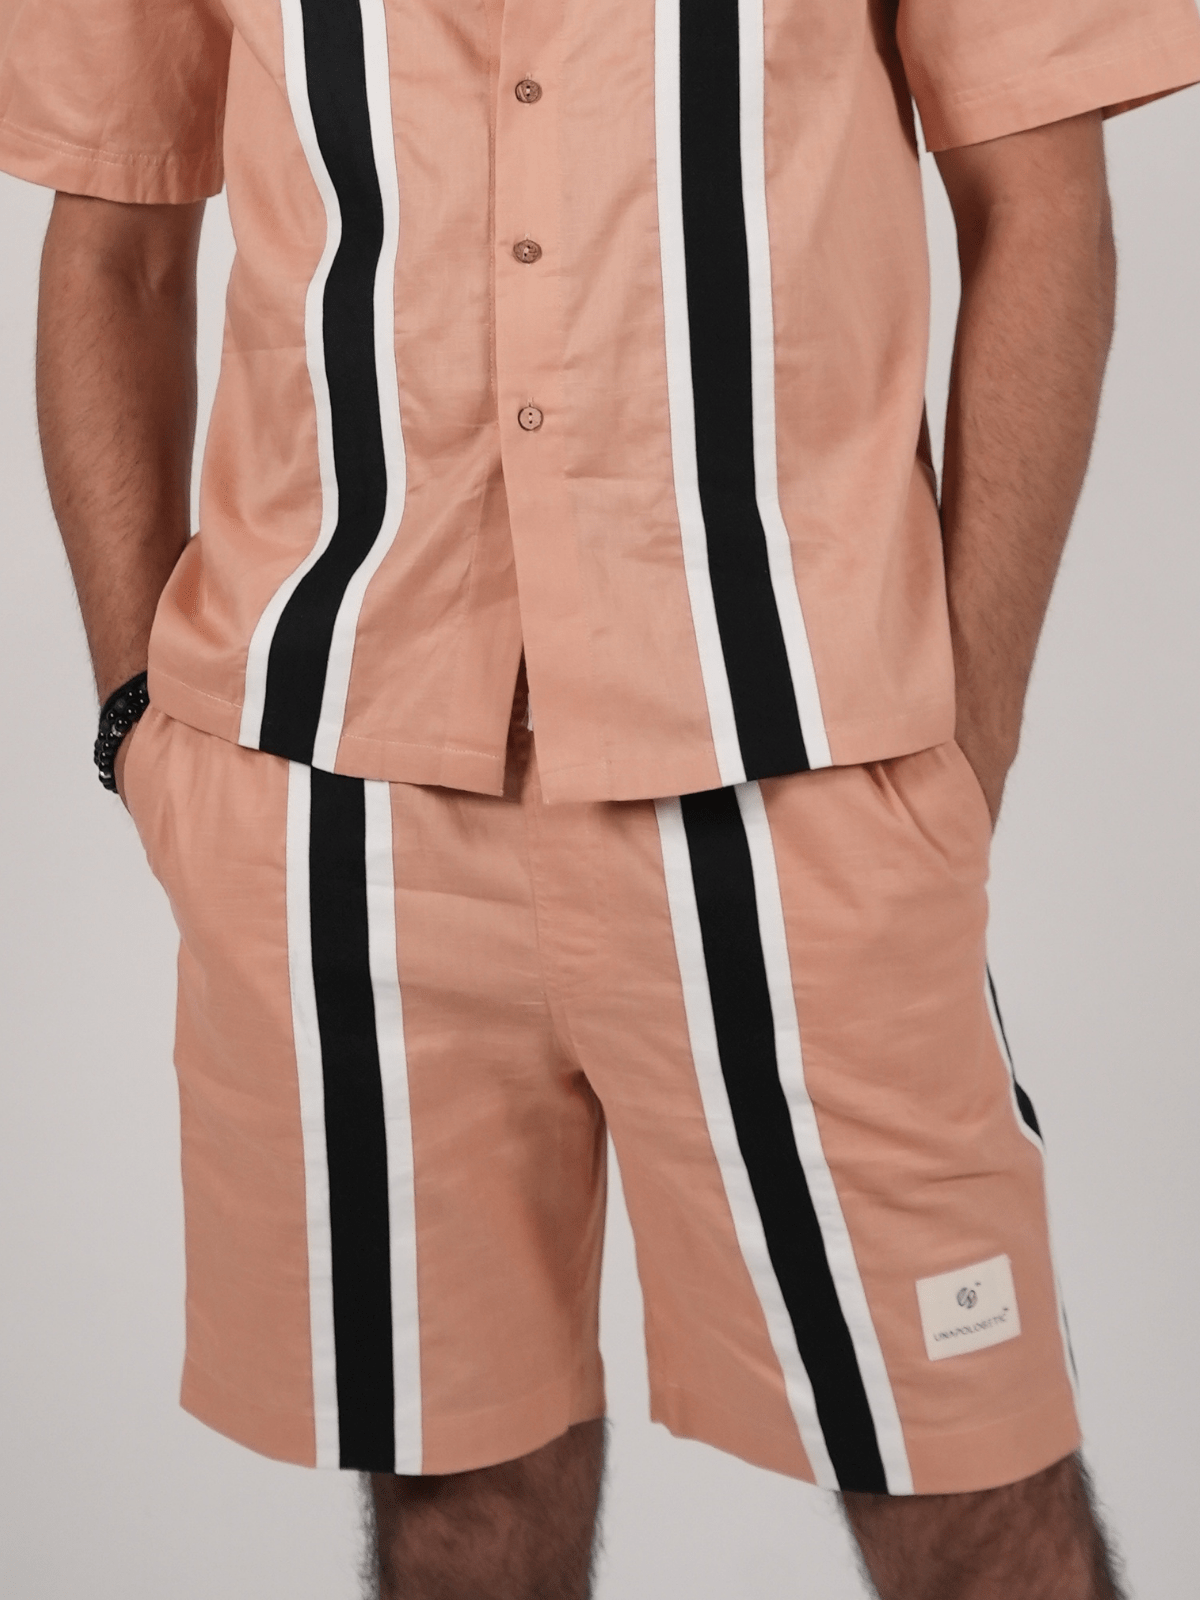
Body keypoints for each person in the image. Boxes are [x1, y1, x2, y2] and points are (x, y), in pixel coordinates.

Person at [2, 0, 1198, 1594]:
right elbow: (115, 242)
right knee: (459, 1516)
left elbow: (1039, 199)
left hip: (787, 782)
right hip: (339, 806)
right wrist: (136, 719)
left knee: (971, 1502)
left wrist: (963, 747)